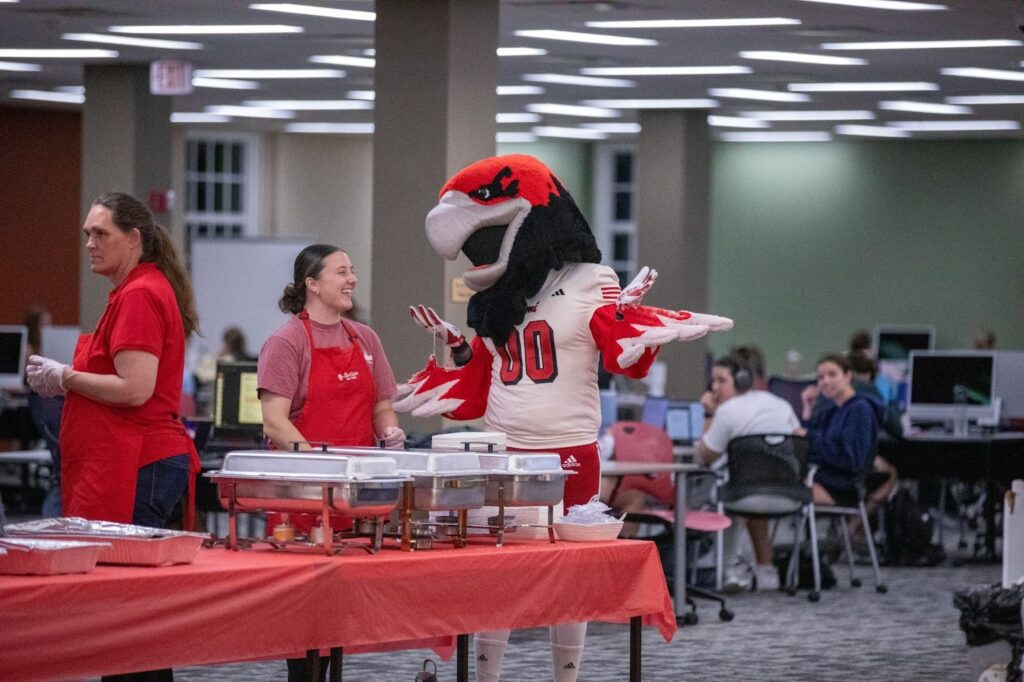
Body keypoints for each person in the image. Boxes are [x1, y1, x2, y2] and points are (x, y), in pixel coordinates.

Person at [256, 244, 404, 682]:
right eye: (342, 271)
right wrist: (320, 466)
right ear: (312, 284)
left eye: (352, 270)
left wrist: (390, 431)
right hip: (302, 496)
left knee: (342, 611)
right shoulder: (287, 341)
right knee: (304, 617)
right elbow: (274, 422)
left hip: (353, 495)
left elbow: (382, 406)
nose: (352, 279)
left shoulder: (365, 338)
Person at [26, 192, 200, 532]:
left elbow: (135, 389)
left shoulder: (139, 294)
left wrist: (65, 377)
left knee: (120, 575)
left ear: (133, 238)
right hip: (132, 458)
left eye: (101, 234)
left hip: (136, 459)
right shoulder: (134, 291)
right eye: (88, 234)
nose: (90, 244)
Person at [697, 354, 803, 592]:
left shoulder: (727, 411)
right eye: (712, 381)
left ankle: (728, 569)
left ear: (741, 381)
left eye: (721, 381)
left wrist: (708, 414)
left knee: (723, 492)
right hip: (788, 494)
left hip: (744, 495)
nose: (714, 388)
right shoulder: (780, 404)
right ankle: (766, 573)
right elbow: (800, 438)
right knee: (750, 494)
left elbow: (706, 455)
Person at [800, 353, 886, 509]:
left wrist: (810, 436)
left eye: (832, 374)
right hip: (827, 479)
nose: (825, 381)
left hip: (843, 487)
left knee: (775, 488)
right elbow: (807, 445)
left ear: (848, 376)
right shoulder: (832, 410)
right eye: (820, 377)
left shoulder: (859, 410)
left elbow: (851, 461)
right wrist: (807, 408)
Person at [23, 305, 64, 518]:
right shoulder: (29, 349)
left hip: (49, 402)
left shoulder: (49, 349)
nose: (50, 328)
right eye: (45, 324)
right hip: (40, 402)